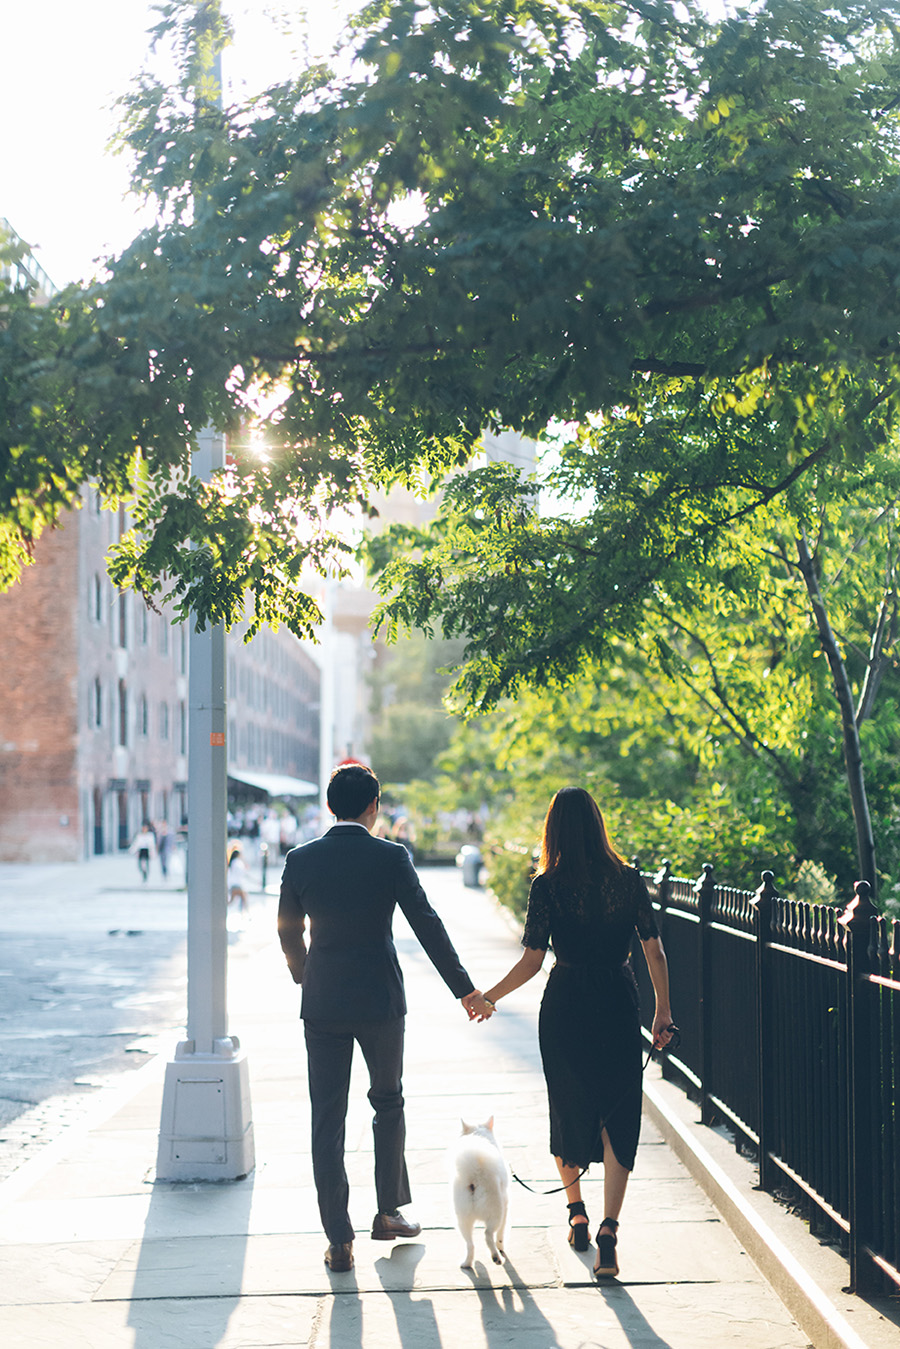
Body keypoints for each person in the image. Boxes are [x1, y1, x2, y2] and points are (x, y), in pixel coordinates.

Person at [277, 762, 488, 1274]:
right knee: (387, 1102)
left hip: (323, 1005)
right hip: (380, 1003)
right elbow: (427, 925)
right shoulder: (391, 856)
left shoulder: (300, 858)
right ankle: (389, 1212)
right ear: (374, 807)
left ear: (330, 806)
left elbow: (287, 929)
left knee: (326, 1118)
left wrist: (307, 974)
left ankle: (339, 1239)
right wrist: (465, 990)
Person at [474, 787, 674, 1281]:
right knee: (617, 1110)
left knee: (568, 1105)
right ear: (598, 824)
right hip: (616, 1002)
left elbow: (533, 960)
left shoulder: (548, 886)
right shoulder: (629, 881)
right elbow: (654, 952)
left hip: (565, 1005)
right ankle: (609, 1230)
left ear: (554, 830)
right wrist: (662, 1012)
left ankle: (576, 1214)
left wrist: (490, 996)